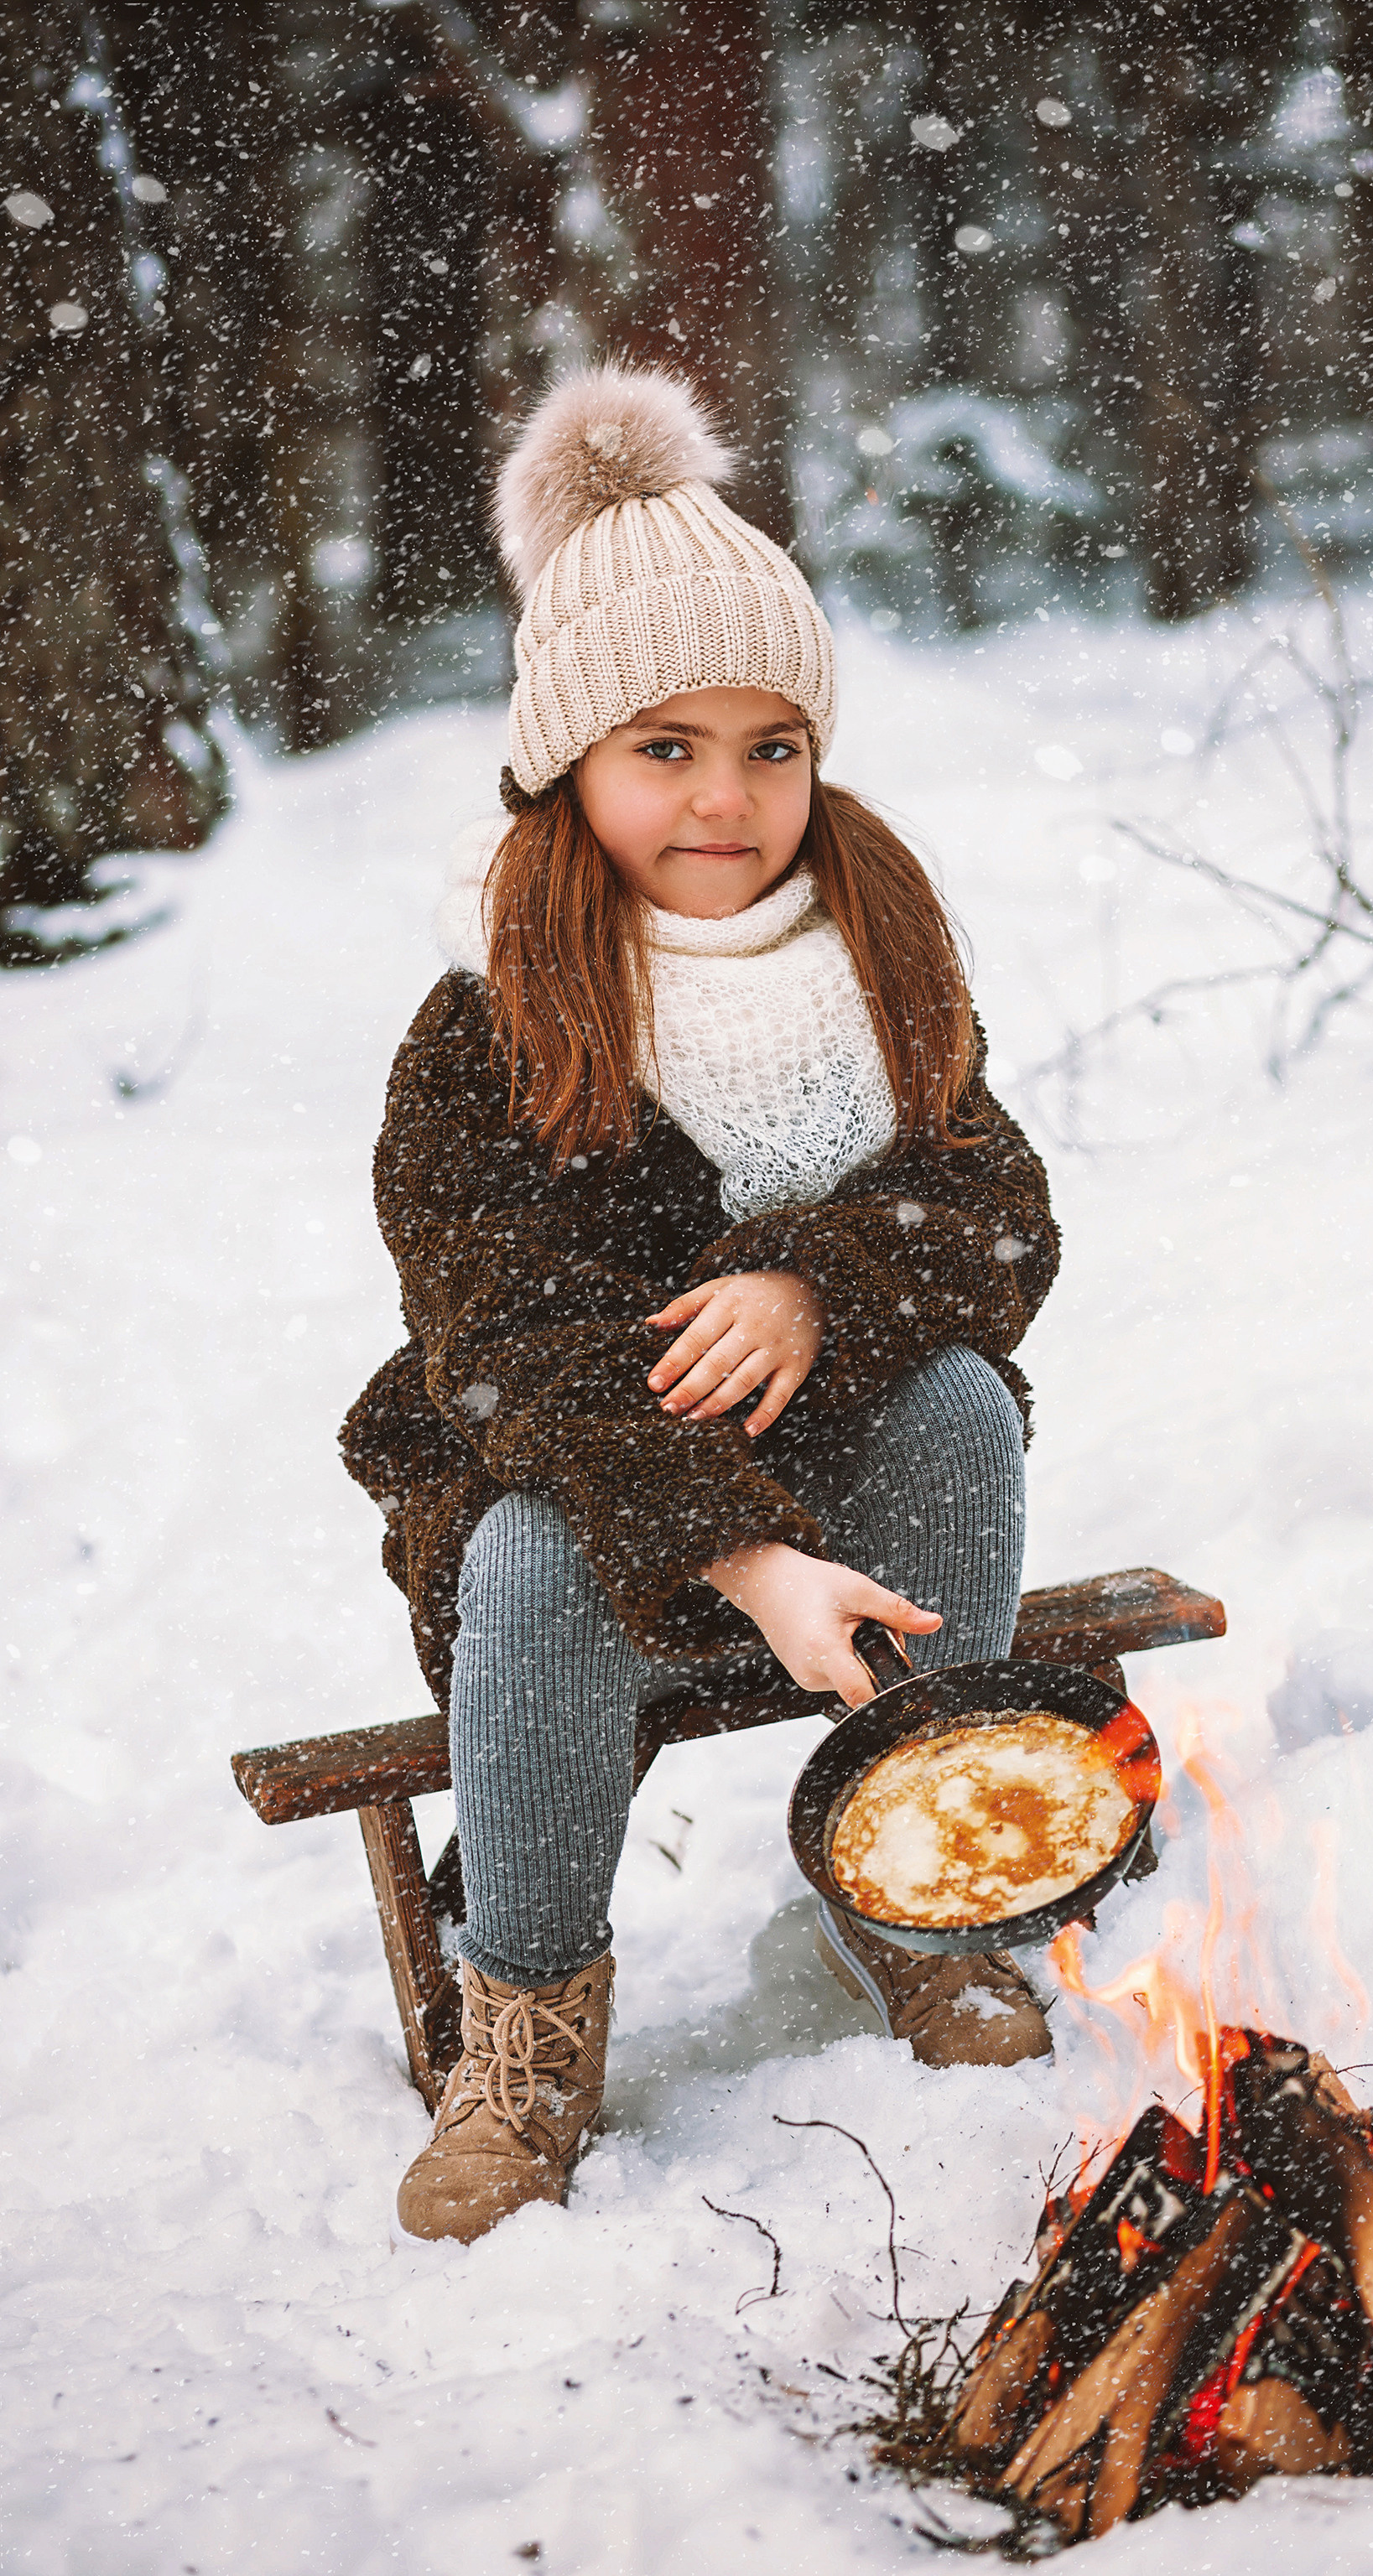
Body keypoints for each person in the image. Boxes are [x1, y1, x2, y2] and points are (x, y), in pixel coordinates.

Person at [341, 361, 1061, 2246]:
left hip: (845, 1454)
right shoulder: (486, 1019)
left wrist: (816, 1283)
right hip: (571, 1466)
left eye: (772, 746)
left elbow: (995, 1210)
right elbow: (508, 1352)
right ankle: (528, 2014)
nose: (727, 797)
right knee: (525, 1561)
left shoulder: (877, 955)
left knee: (964, 1406)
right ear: (565, 763)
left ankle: (927, 1884)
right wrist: (745, 1560)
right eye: (665, 747)